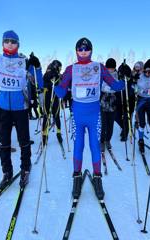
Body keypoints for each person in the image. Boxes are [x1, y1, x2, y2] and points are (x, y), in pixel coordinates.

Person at [55, 37, 124, 199]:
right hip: (77, 114)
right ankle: (77, 177)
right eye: (80, 49)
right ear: (76, 51)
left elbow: (114, 85)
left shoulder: (99, 67)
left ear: (91, 50)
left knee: (94, 146)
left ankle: (98, 177)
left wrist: (124, 80)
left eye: (86, 49)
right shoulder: (71, 69)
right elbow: (62, 89)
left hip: (94, 114)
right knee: (78, 145)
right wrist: (55, 85)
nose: (83, 52)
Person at [0, 30, 43, 189]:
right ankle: (7, 172)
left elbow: (39, 84)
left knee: (24, 141)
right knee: (4, 142)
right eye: (6, 41)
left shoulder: (24, 62)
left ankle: (25, 169)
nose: (10, 43)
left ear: (18, 44)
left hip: (21, 107)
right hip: (2, 108)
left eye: (13, 41)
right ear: (2, 43)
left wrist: (38, 67)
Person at [42, 60, 63, 146]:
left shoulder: (56, 73)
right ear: (56, 66)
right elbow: (46, 78)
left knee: (56, 115)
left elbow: (59, 83)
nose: (60, 69)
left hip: (55, 96)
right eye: (59, 67)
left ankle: (58, 133)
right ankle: (45, 136)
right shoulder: (50, 70)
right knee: (47, 115)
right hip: (48, 96)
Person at [100, 58, 119, 151]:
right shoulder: (102, 74)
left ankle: (108, 140)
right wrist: (110, 87)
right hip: (103, 101)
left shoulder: (117, 75)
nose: (110, 70)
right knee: (103, 124)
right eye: (108, 68)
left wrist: (111, 87)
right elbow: (102, 86)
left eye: (111, 68)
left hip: (113, 102)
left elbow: (117, 87)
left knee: (110, 124)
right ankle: (102, 141)